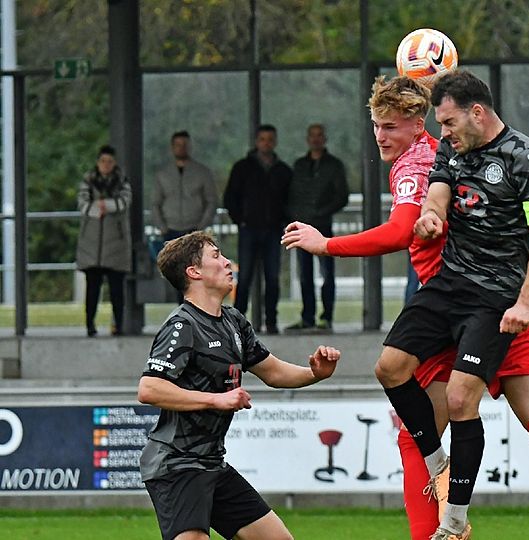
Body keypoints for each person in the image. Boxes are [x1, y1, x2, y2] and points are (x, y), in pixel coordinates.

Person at [282, 75, 529, 540]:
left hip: (493, 305)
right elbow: (433, 204)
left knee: (427, 430)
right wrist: (432, 216)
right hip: (453, 298)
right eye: (376, 127)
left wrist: (326, 243)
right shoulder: (448, 149)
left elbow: (403, 231)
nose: (379, 137)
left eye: (389, 126)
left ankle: (446, 522)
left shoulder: (481, 159)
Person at [138, 231, 340, 540]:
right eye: (216, 256)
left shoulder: (233, 321)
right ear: (194, 272)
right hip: (177, 464)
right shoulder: (182, 326)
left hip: (211, 462)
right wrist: (215, 400)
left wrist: (315, 373)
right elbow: (149, 389)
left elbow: (272, 371)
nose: (227, 261)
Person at [223, 124, 292, 334]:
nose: (266, 143)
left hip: (273, 230)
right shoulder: (243, 168)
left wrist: (283, 222)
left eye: (270, 139)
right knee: (244, 278)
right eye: (262, 139)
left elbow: (290, 200)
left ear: (275, 141)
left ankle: (270, 321)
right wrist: (241, 220)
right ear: (256, 142)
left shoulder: (283, 171)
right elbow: (230, 197)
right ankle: (238, 323)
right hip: (249, 229)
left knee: (272, 278)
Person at [284, 123, 348, 333]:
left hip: (323, 227)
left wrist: (322, 212)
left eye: (319, 135)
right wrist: (295, 214)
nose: (316, 139)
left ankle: (326, 316)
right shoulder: (300, 165)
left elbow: (341, 196)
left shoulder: (334, 165)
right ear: (307, 139)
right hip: (302, 227)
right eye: (312, 135)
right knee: (305, 274)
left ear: (324, 138)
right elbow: (292, 193)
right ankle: (308, 316)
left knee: (327, 274)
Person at [76, 145, 132, 337]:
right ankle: (89, 324)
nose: (106, 165)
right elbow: (83, 203)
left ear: (114, 163)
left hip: (116, 245)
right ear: (98, 162)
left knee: (117, 289)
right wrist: (99, 208)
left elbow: (124, 201)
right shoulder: (88, 180)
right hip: (91, 246)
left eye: (109, 161)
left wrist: (103, 205)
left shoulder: (122, 181)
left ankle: (119, 324)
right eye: (103, 161)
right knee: (92, 288)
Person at [151, 131, 218, 242]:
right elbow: (155, 202)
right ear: (172, 147)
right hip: (170, 229)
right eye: (178, 144)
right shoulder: (162, 174)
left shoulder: (202, 172)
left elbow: (211, 200)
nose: (182, 148)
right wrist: (162, 227)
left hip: (194, 228)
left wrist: (202, 226)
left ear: (190, 146)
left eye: (185, 144)